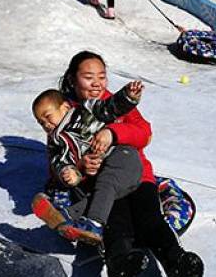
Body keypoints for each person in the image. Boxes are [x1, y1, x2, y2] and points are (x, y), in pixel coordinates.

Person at [56, 50, 205, 277]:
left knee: (150, 221)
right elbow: (57, 156)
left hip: (135, 175)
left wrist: (113, 133)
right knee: (117, 224)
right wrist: (80, 166)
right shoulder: (64, 114)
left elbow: (143, 133)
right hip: (101, 186)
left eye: (101, 76)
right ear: (72, 79)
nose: (96, 83)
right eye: (88, 77)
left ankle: (179, 266)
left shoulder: (116, 103)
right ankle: (121, 267)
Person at [32, 82, 144, 242]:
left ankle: (95, 223)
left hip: (123, 158)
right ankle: (67, 217)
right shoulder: (55, 142)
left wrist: (128, 97)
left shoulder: (84, 111)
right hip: (103, 175)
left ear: (64, 107)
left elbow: (109, 108)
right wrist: (68, 172)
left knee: (106, 183)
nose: (46, 124)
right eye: (41, 122)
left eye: (48, 117)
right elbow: (58, 161)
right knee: (97, 194)